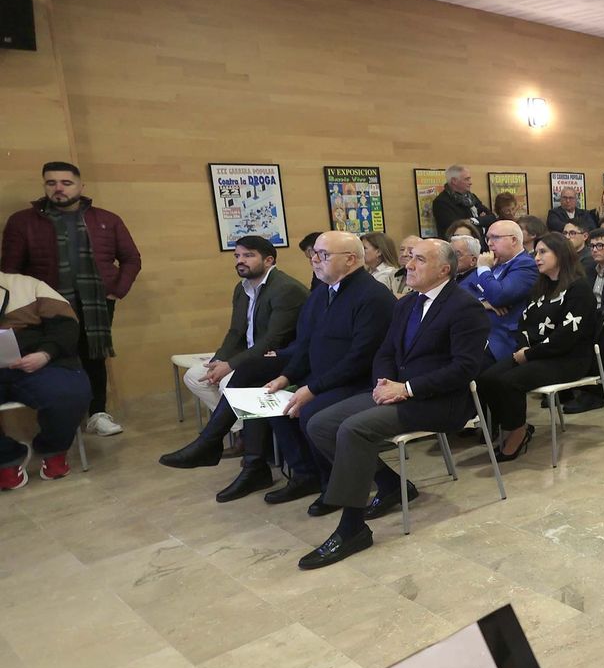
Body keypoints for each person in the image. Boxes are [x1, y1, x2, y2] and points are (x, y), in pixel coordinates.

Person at [160, 231, 395, 507]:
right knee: (265, 390)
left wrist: (310, 389)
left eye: (323, 255)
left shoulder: (374, 296)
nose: (314, 261)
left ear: (351, 259)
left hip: (359, 380)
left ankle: (332, 482)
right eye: (313, 255)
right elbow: (305, 345)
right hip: (325, 374)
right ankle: (295, 471)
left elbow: (361, 358)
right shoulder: (322, 295)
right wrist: (286, 377)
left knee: (309, 411)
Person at [297, 240, 489, 569]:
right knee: (320, 424)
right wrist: (384, 383)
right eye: (409, 258)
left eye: (419, 260)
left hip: (442, 402)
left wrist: (408, 388)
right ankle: (389, 485)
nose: (409, 265)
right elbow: (384, 352)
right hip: (399, 392)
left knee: (354, 429)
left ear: (444, 269)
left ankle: (352, 528)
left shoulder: (464, 306)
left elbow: (465, 368)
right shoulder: (406, 305)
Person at [2, 161, 141, 436]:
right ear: (44, 186)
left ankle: (98, 413)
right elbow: (9, 270)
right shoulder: (23, 221)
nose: (59, 189)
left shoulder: (107, 219)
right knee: (57, 355)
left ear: (80, 186)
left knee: (94, 356)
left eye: (66, 183)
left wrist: (116, 290)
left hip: (97, 303)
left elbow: (131, 258)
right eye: (51, 183)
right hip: (48, 307)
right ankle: (64, 417)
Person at [477, 233, 601, 461]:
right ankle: (514, 425)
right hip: (536, 354)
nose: (537, 257)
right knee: (486, 379)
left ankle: (517, 432)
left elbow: (567, 335)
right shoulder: (541, 287)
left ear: (561, 254)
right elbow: (525, 323)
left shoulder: (579, 289)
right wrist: (525, 348)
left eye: (543, 252)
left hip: (569, 359)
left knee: (508, 382)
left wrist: (529, 354)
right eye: (536, 253)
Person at [182, 236, 308, 417]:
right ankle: (238, 426)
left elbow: (273, 340)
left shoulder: (285, 289)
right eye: (237, 256)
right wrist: (217, 362)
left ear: (268, 260)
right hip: (248, 353)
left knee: (228, 384)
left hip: (275, 358)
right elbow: (235, 332)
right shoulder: (242, 288)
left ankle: (239, 430)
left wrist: (230, 365)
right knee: (195, 377)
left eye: (248, 255)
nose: (240, 261)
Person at [0, 270, 93, 490]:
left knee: (69, 393)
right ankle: (6, 459)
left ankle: (54, 450)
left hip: (41, 364)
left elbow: (67, 324)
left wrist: (45, 354)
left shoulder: (29, 286)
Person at [460, 219, 539, 362]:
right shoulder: (493, 263)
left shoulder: (526, 265)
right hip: (474, 333)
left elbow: (499, 296)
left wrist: (483, 269)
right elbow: (459, 292)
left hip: (500, 338)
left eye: (495, 237)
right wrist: (482, 303)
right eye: (488, 238)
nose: (489, 243)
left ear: (514, 240)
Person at [431, 165, 495, 235]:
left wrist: (474, 220)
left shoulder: (472, 197)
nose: (470, 183)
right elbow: (457, 228)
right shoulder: (441, 202)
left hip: (479, 243)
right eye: (467, 179)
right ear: (454, 181)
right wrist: (481, 220)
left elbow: (492, 217)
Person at [361, 232, 406, 297]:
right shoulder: (369, 271)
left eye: (364, 248)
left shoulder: (387, 274)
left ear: (379, 252)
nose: (360, 251)